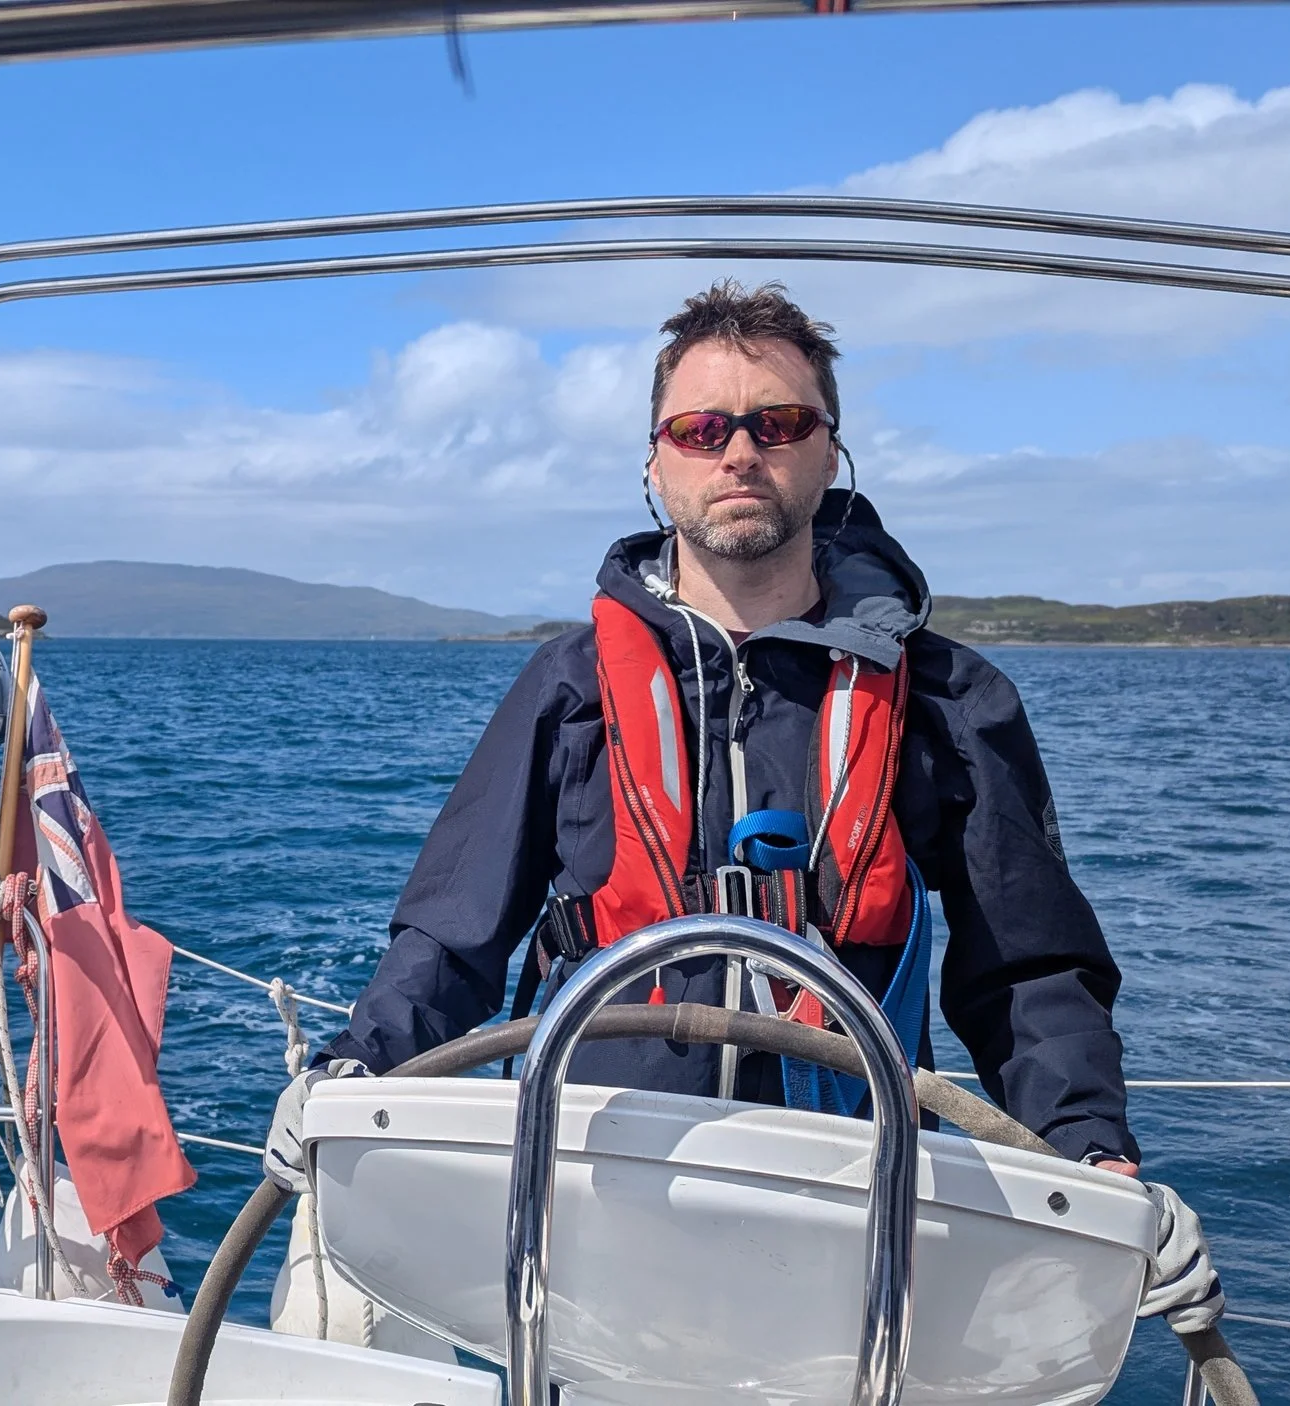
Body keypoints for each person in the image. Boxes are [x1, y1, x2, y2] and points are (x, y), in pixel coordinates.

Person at [265, 280, 1220, 1334]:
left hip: (848, 1200)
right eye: (701, 427)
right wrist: (359, 1063)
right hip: (596, 1183)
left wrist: (1091, 1154)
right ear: (654, 460)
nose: (738, 453)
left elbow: (1028, 969)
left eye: (778, 422)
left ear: (829, 451)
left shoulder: (947, 699)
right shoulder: (569, 687)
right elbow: (452, 931)